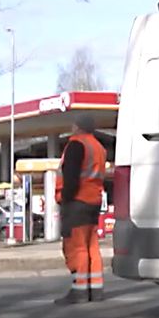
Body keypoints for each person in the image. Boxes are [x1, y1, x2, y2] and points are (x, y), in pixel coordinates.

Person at [56, 114, 107, 304]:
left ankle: (79, 289)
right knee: (91, 246)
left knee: (77, 247)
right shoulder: (98, 147)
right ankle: (96, 288)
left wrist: (65, 198)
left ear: (78, 127)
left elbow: (71, 177)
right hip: (93, 201)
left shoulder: (76, 145)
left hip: (77, 201)